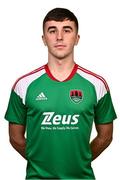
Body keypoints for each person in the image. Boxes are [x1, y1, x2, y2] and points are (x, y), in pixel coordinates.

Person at [5, 7, 117, 179]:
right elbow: (15, 138)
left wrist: (80, 161)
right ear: (43, 39)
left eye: (67, 30)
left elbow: (106, 136)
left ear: (77, 38)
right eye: (52, 30)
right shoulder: (23, 85)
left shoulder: (97, 84)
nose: (59, 37)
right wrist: (42, 163)